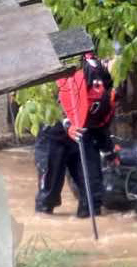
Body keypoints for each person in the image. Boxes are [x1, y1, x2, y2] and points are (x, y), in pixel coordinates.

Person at [34, 56, 117, 217]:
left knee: (93, 196)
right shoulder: (85, 69)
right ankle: (44, 224)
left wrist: (109, 152)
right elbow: (56, 100)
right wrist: (67, 124)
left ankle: (89, 226)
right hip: (55, 135)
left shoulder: (111, 87)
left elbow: (101, 123)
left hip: (83, 136)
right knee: (48, 194)